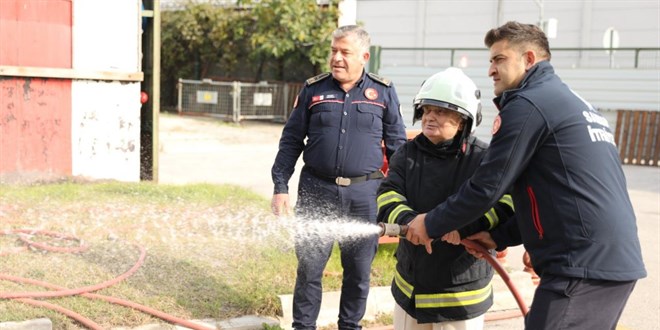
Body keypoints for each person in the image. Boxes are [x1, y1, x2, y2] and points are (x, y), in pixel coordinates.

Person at [405, 21, 647, 329]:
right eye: (490, 60)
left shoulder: (529, 104)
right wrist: (498, 235)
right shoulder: (571, 101)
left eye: (499, 59)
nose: (491, 69)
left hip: (581, 266)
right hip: (606, 262)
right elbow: (554, 194)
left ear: (529, 59)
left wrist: (430, 223)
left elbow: (487, 186)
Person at [270, 24, 407, 330]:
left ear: (364, 56)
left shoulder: (383, 91)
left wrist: (405, 196)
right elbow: (291, 140)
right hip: (317, 192)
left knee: (358, 274)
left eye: (345, 52)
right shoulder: (313, 90)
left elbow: (399, 148)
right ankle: (303, 327)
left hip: (365, 197)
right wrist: (280, 186)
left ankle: (350, 326)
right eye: (333, 51)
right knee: (309, 270)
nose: (337, 58)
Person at [376, 67, 514, 330]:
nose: (429, 117)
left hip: (460, 296)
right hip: (411, 291)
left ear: (462, 120)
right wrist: (411, 223)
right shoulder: (407, 154)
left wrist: (464, 226)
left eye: (440, 111)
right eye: (426, 110)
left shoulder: (484, 159)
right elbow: (387, 195)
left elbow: (504, 205)